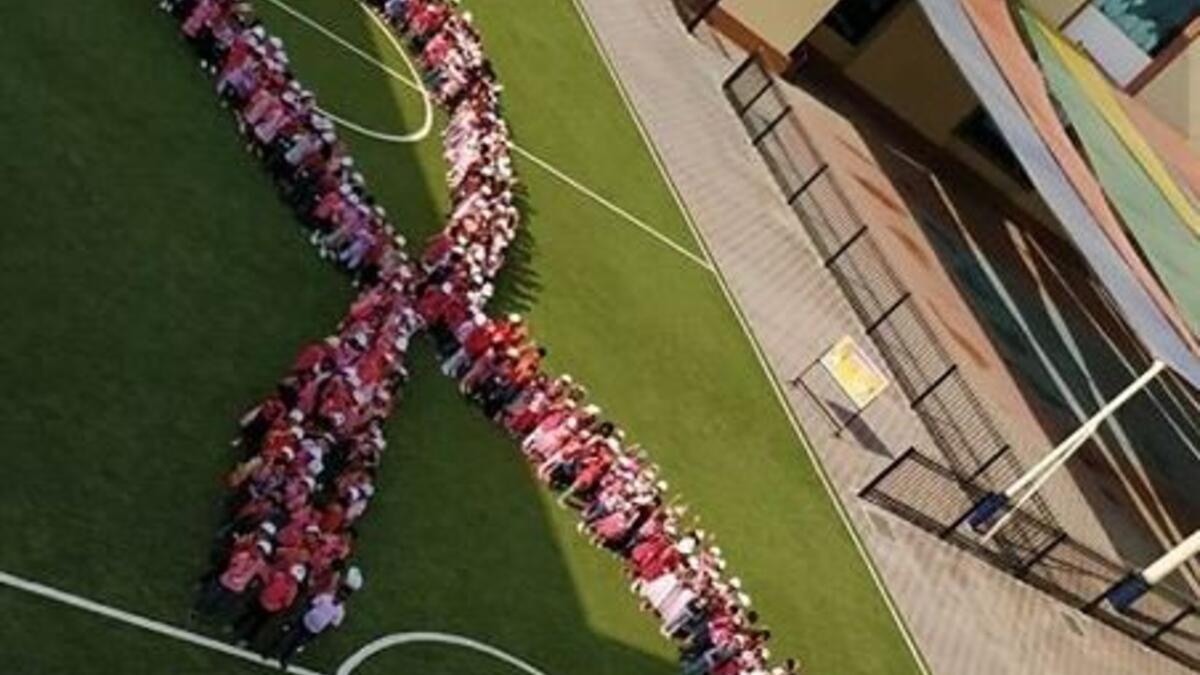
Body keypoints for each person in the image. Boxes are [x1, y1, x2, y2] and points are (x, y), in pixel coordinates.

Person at [274, 587, 349, 666]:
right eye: (339, 596)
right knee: (289, 635)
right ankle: (275, 649)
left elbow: (332, 625)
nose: (339, 599)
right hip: (305, 620)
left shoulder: (340, 612)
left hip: (314, 630)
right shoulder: (325, 597)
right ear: (336, 594)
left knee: (298, 642)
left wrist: (320, 632)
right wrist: (301, 616)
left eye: (342, 598)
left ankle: (285, 658)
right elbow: (311, 605)